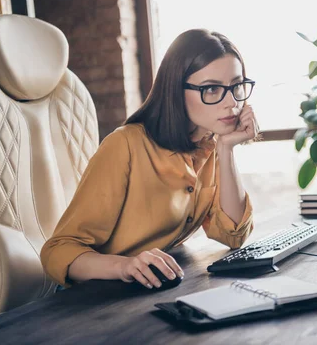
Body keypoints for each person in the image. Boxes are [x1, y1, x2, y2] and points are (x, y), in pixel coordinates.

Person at [41, 29, 258, 290]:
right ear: (176, 90)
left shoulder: (210, 144)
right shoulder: (126, 145)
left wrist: (227, 149)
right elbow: (57, 251)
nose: (231, 102)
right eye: (211, 89)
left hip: (153, 290)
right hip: (97, 297)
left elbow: (233, 236)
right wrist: (124, 265)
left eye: (236, 86)